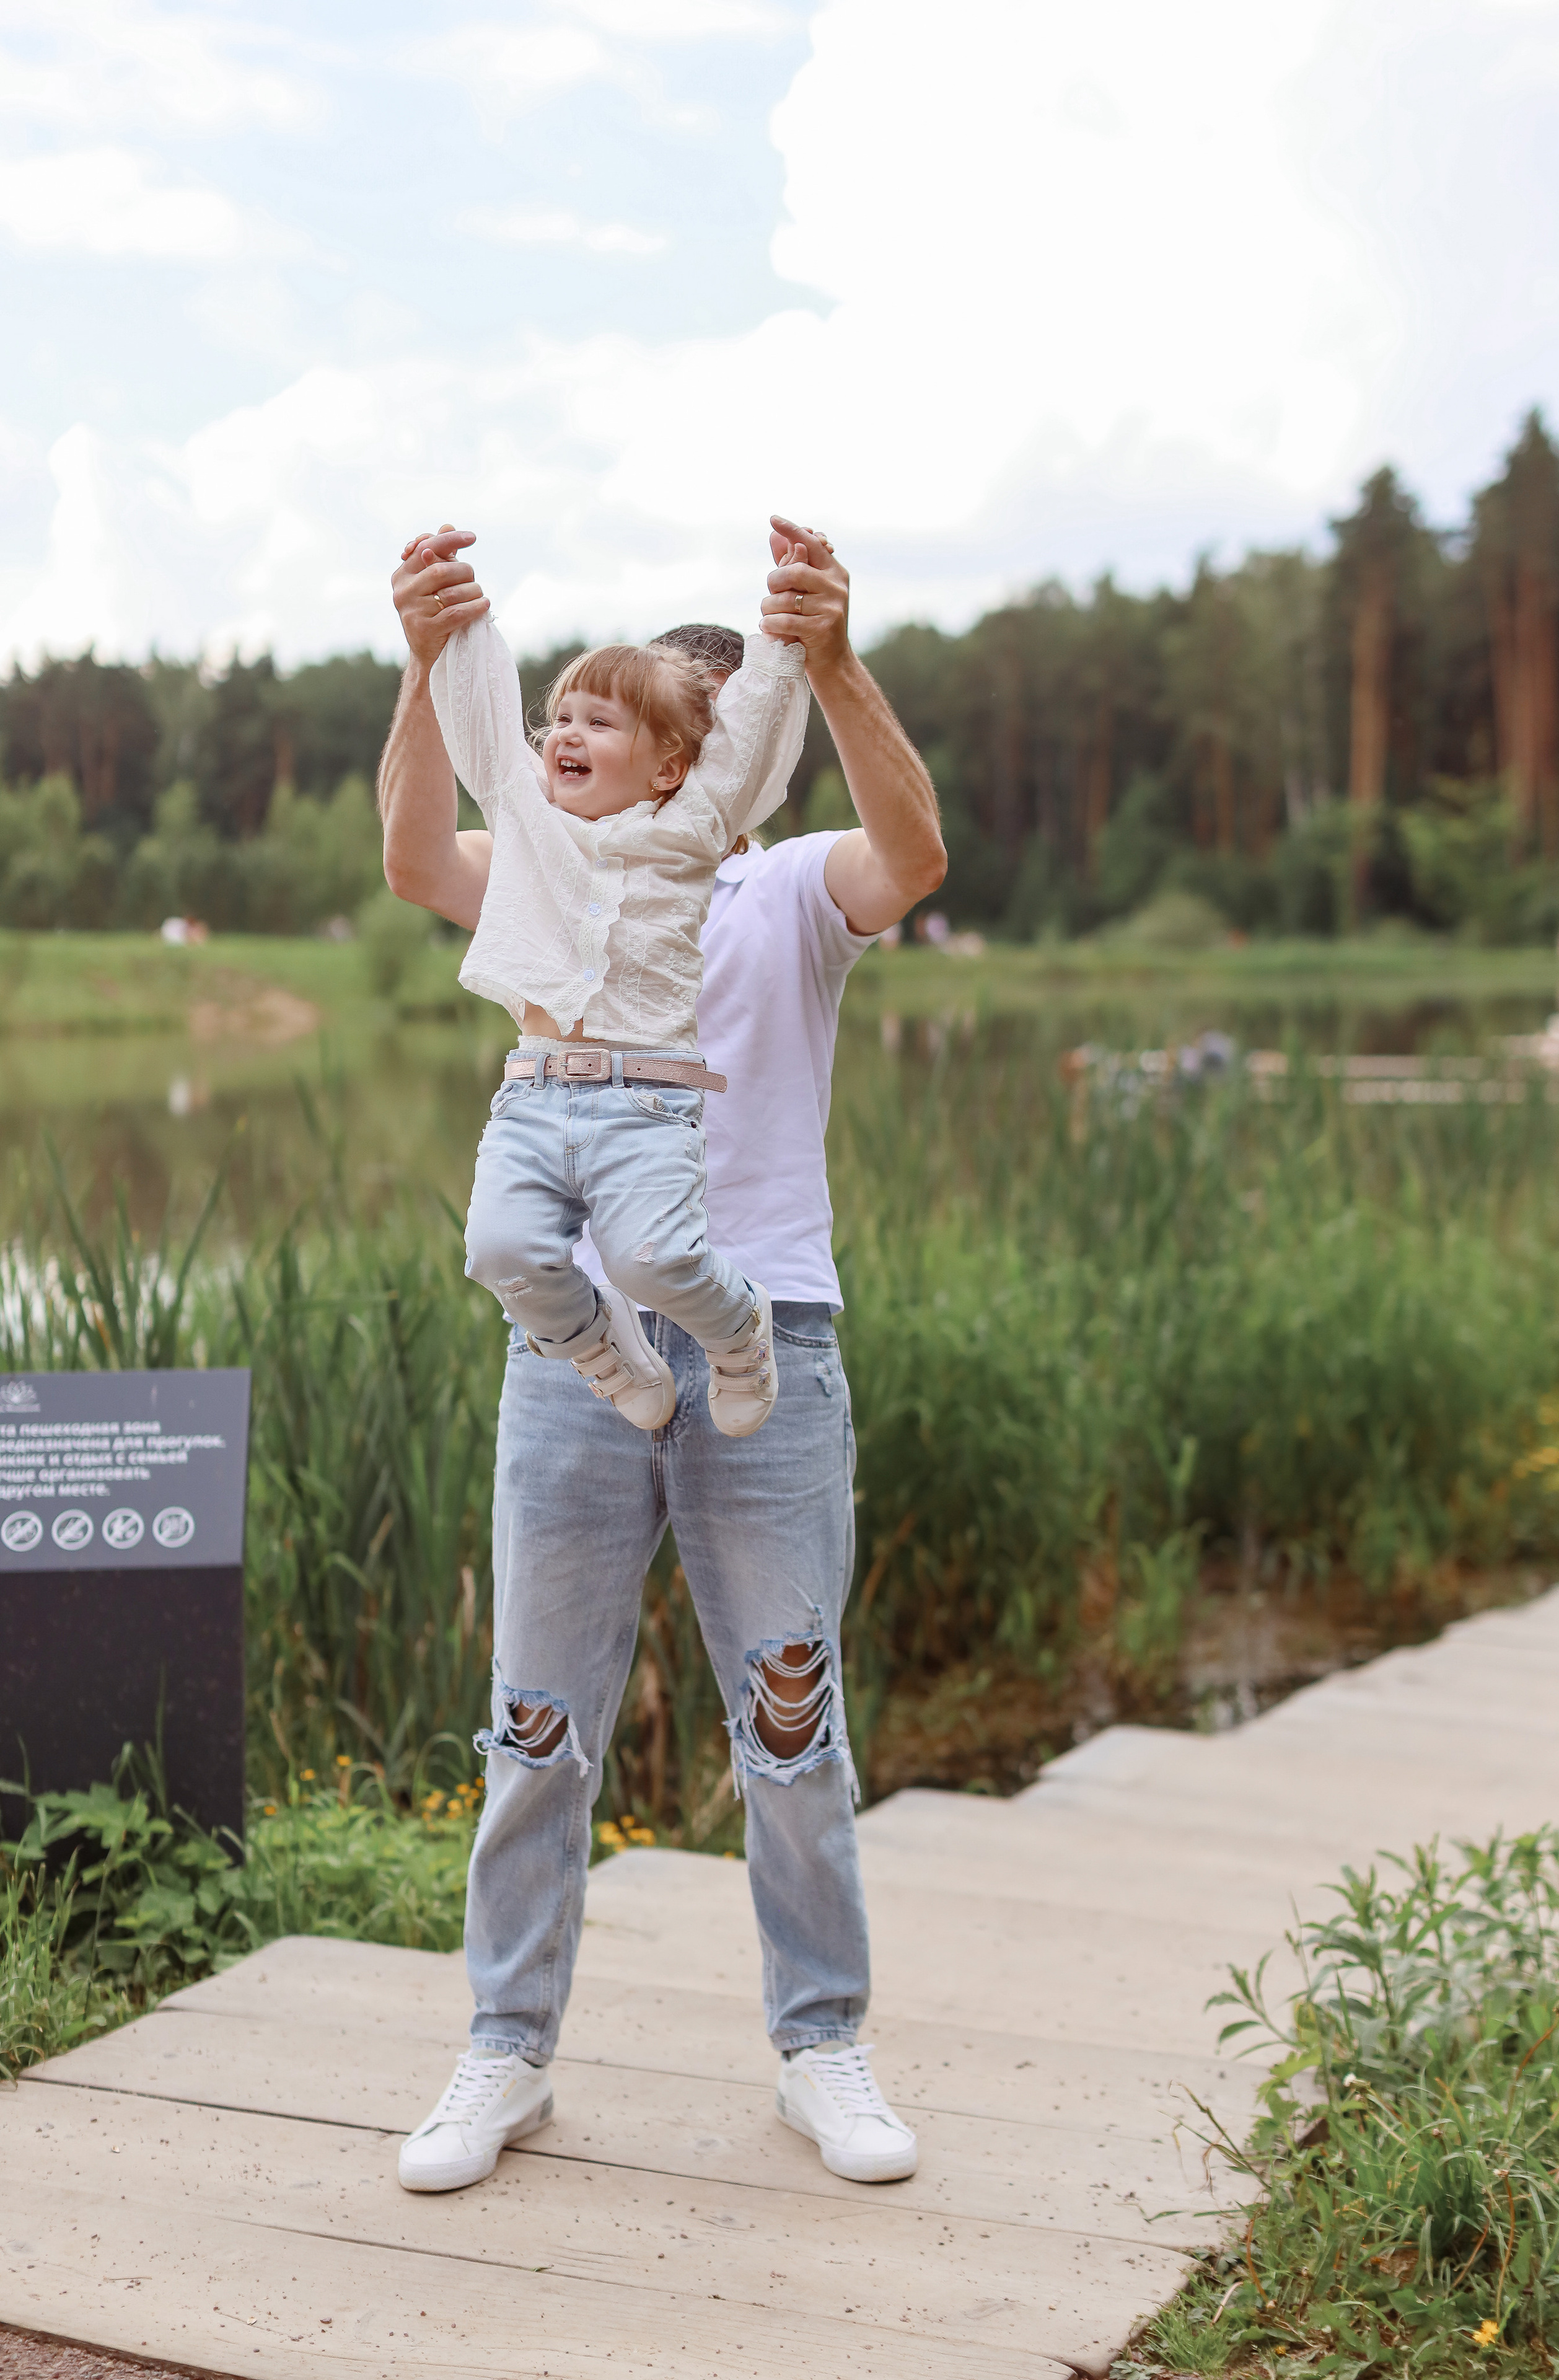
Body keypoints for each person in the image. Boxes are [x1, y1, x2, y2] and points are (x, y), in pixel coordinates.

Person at [377, 516, 947, 2193]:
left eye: (677, 713)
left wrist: (832, 660)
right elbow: (411, 859)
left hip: (771, 1340)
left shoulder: (791, 887)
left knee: (791, 1716)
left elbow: (913, 854)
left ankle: (821, 2044)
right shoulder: (558, 870)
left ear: (727, 755)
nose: (613, 737)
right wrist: (422, 664)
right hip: (576, 1357)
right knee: (533, 1723)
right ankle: (505, 2049)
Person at [432, 577, 814, 1442]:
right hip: (533, 1095)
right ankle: (598, 1345)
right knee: (499, 1251)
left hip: (647, 1101)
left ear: (669, 767)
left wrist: (783, 639)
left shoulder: (692, 828)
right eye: (561, 719)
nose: (567, 734)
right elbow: (484, 728)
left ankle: (738, 1332)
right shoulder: (526, 820)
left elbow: (749, 742)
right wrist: (461, 626)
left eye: (601, 724)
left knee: (655, 1259)